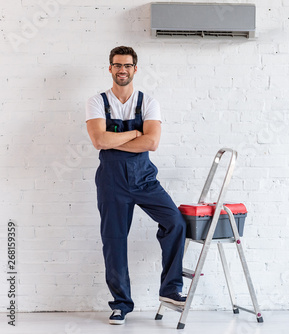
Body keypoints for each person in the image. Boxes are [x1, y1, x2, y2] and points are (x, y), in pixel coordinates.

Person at [86, 46, 186, 325]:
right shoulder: (97, 102)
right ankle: (120, 304)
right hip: (111, 182)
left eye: (127, 66)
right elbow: (99, 142)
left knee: (175, 222)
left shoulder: (148, 102)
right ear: (110, 68)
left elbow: (152, 143)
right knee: (114, 242)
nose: (122, 70)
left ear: (135, 69)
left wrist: (116, 138)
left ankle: (170, 290)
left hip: (144, 179)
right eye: (117, 65)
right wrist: (134, 132)